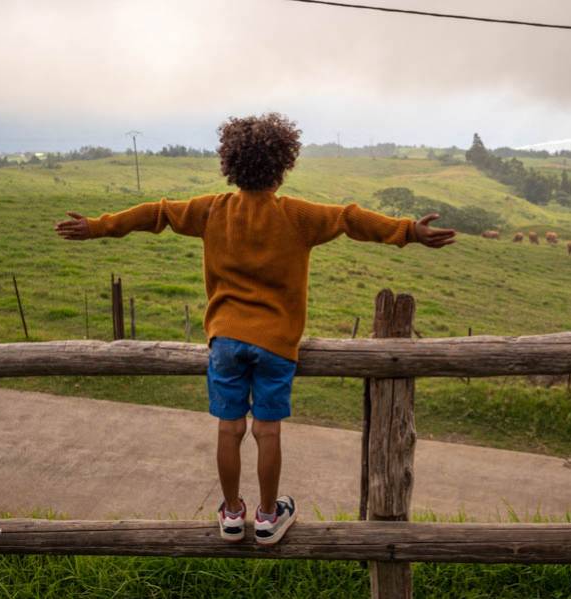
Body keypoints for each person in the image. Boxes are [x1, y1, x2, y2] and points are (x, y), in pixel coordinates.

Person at [55, 113, 456, 544]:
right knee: (267, 430)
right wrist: (408, 231)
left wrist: (97, 227)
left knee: (229, 428)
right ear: (283, 165)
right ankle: (267, 517)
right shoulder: (299, 216)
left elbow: (157, 212)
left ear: (231, 163)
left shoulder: (212, 210)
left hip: (225, 340)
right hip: (277, 344)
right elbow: (348, 218)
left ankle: (230, 514)